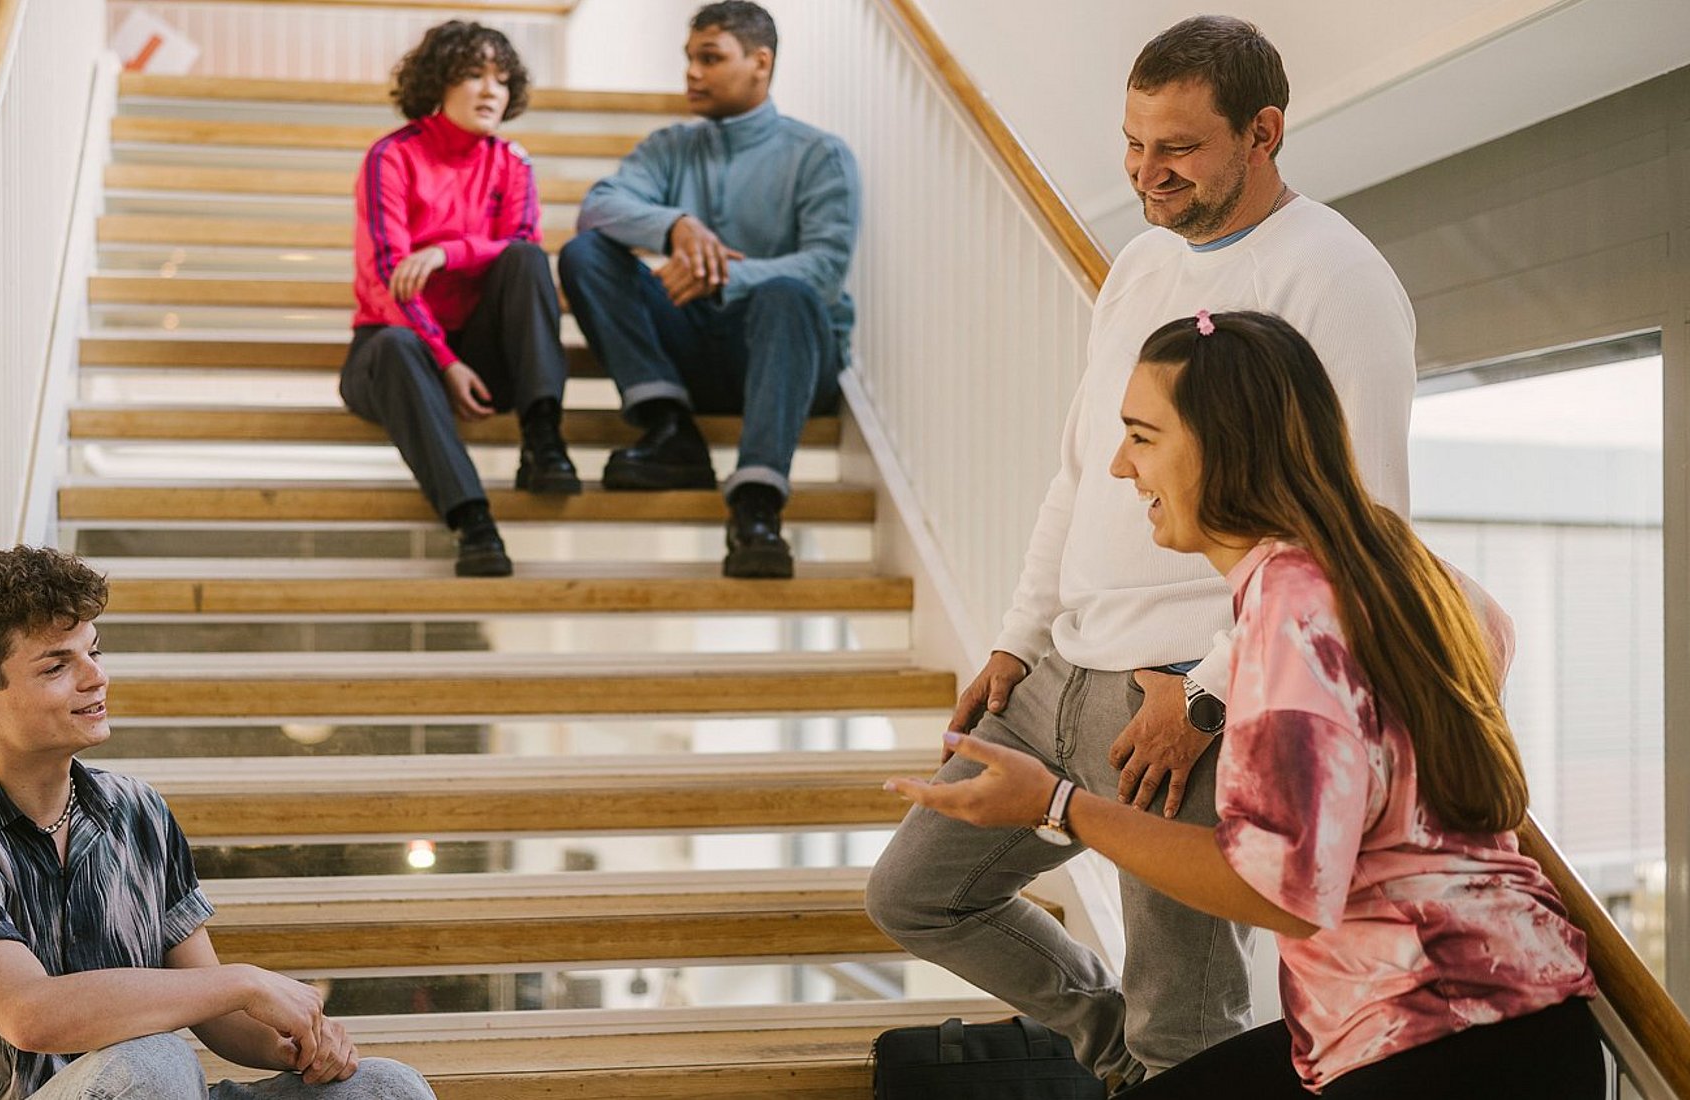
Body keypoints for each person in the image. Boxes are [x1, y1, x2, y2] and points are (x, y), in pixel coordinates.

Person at [863, 14, 1421, 1088]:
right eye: (1131, 142)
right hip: (1061, 671)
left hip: (1181, 700)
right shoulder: (1139, 262)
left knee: (1189, 1022)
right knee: (915, 893)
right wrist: (1017, 640)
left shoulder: (1336, 278)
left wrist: (1208, 690)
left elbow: (1362, 526)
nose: (1143, 171)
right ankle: (1114, 1055)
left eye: (1176, 147)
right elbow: (1082, 467)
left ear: (1262, 133)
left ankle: (1161, 1073)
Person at [891, 311, 1604, 1098]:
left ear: (1222, 444)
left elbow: (1282, 893)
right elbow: (1489, 639)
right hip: (1520, 1018)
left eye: (1142, 436)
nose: (1120, 467)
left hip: (1439, 1046)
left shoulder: (1295, 610)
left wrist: (1057, 805)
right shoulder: (1398, 564)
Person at [0, 546, 437, 1100]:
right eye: (57, 666)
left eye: (93, 653)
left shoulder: (136, 810)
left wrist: (296, 1042)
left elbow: (217, 1017)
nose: (95, 678)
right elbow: (31, 1015)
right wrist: (242, 982)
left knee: (388, 1087)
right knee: (152, 1058)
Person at [557, 0, 859, 579]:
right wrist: (673, 225)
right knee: (586, 253)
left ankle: (757, 507)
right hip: (691, 354)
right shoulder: (670, 146)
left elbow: (823, 269)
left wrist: (720, 274)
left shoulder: (819, 155)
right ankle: (670, 430)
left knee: (790, 294)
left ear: (760, 63)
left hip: (785, 360)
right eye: (689, 58)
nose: (692, 72)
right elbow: (596, 207)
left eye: (710, 58)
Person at [345, 21, 577, 578]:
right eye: (473, 74)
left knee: (526, 260)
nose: (490, 89)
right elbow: (385, 273)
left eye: (501, 78)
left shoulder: (513, 163)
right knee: (400, 346)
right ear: (438, 82)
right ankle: (472, 521)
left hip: (483, 348)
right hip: (392, 350)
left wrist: (451, 252)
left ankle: (543, 439)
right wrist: (446, 363)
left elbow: (520, 244)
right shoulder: (392, 157)